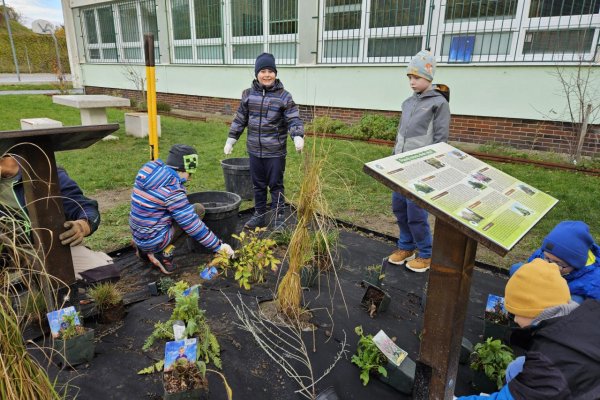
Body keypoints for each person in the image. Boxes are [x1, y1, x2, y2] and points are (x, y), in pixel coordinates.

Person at [457, 258, 600, 399]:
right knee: (517, 366)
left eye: (515, 313)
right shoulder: (587, 314)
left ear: (530, 311)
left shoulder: (548, 360)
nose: (514, 319)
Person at [223, 52, 304, 230]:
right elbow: (240, 119)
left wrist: (297, 135)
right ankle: (259, 215)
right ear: (256, 73)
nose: (267, 74)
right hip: (254, 150)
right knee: (258, 185)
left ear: (275, 73)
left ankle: (278, 217)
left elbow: (293, 118)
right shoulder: (248, 95)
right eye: (263, 71)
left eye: (270, 71)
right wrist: (231, 139)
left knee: (276, 185)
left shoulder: (284, 97)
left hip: (275, 152)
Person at [0, 155, 113, 279]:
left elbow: (83, 207)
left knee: (103, 273)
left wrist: (82, 226)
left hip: (48, 250)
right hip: (8, 255)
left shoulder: (44, 172)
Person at [388, 50, 450, 272]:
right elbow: (400, 135)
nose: (412, 82)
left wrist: (433, 167)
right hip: (400, 167)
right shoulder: (407, 103)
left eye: (416, 77)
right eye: (410, 78)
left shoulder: (438, 104)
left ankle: (425, 253)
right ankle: (406, 246)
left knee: (416, 212)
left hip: (420, 169)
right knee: (400, 208)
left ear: (429, 77)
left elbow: (441, 139)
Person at [130, 144, 234, 274]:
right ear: (181, 169)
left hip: (139, 234)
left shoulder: (149, 170)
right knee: (197, 210)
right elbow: (192, 224)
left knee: (179, 211)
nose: (190, 178)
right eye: (189, 173)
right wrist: (219, 246)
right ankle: (162, 254)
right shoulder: (172, 190)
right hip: (153, 240)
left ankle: (144, 250)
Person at [509, 221, 600, 302]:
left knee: (575, 301)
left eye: (558, 263)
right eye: (547, 258)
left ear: (576, 265)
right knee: (516, 269)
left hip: (564, 298)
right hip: (545, 287)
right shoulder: (544, 254)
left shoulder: (593, 281)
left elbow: (593, 310)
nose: (549, 265)